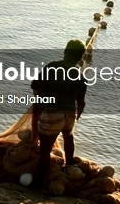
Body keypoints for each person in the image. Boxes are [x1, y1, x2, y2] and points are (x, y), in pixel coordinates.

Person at [30, 39, 88, 188]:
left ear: (65, 51)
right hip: (70, 114)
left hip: (52, 112)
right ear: (81, 57)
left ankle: (39, 183)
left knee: (45, 150)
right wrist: (77, 114)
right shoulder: (81, 76)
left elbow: (35, 84)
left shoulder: (53, 67)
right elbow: (81, 102)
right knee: (68, 139)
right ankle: (69, 167)